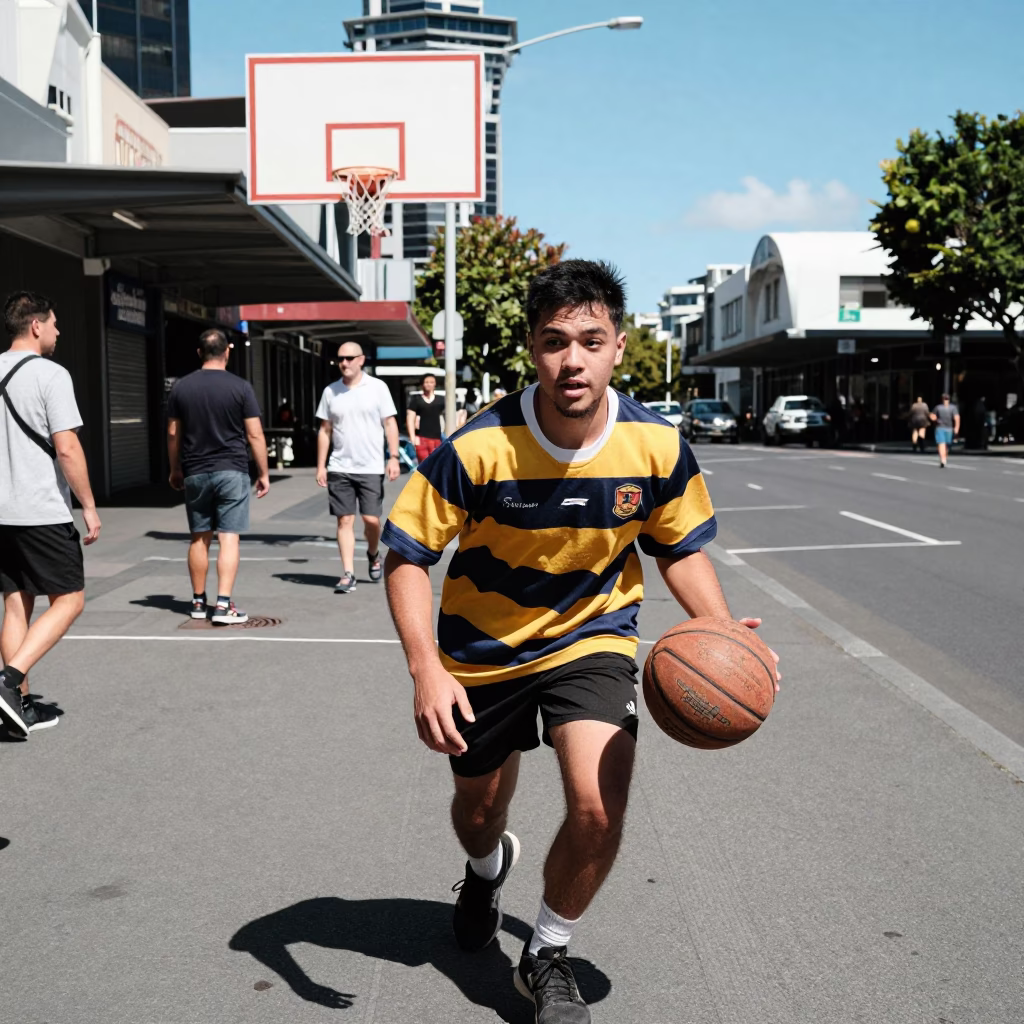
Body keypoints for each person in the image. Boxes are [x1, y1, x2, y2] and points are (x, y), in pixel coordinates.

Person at [382, 260, 779, 1022]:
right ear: (532, 349)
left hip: (593, 638)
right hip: (483, 653)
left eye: (590, 340)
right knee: (477, 810)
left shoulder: (656, 446)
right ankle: (485, 870)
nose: (573, 359)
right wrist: (426, 671)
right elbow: (406, 557)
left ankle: (546, 953)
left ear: (618, 347)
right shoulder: (478, 447)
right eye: (555, 341)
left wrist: (722, 632)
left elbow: (680, 546)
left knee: (599, 806)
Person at [0, 291, 101, 737]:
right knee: (70, 599)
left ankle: (17, 706)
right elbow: (66, 446)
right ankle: (5, 684)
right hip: (39, 508)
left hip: (1, 512)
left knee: (16, 602)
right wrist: (89, 505)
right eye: (55, 324)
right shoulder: (50, 374)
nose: (59, 332)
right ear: (36, 325)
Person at [167, 328, 269, 624]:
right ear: (228, 351)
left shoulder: (181, 388)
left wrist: (175, 468)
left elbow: (173, 433)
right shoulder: (241, 387)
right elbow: (254, 433)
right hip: (232, 470)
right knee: (228, 537)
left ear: (199, 353)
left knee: (199, 538)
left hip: (196, 471)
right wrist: (263, 472)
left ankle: (199, 603)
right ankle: (223, 606)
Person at [316, 342, 401, 595]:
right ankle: (348, 574)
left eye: (350, 358)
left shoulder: (378, 388)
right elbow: (325, 430)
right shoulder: (331, 392)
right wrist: (321, 465)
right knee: (344, 520)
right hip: (340, 466)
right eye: (340, 359)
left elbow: (390, 424)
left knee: (371, 520)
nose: (344, 363)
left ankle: (373, 554)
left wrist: (394, 457)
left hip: (371, 466)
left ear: (361, 360)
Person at [406, 372, 445, 464]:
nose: (429, 384)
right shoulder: (416, 400)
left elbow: (449, 416)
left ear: (435, 384)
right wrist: (412, 437)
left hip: (438, 439)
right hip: (421, 438)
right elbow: (410, 418)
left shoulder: (441, 400)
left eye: (431, 382)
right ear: (422, 384)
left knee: (437, 466)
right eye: (426, 382)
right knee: (424, 467)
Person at [930, 393, 960, 468]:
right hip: (941, 427)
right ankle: (943, 459)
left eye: (946, 399)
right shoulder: (938, 407)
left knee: (947, 445)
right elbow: (932, 415)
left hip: (949, 428)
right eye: (945, 399)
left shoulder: (952, 408)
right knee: (942, 443)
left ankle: (944, 457)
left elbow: (957, 418)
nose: (945, 400)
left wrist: (956, 428)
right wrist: (934, 418)